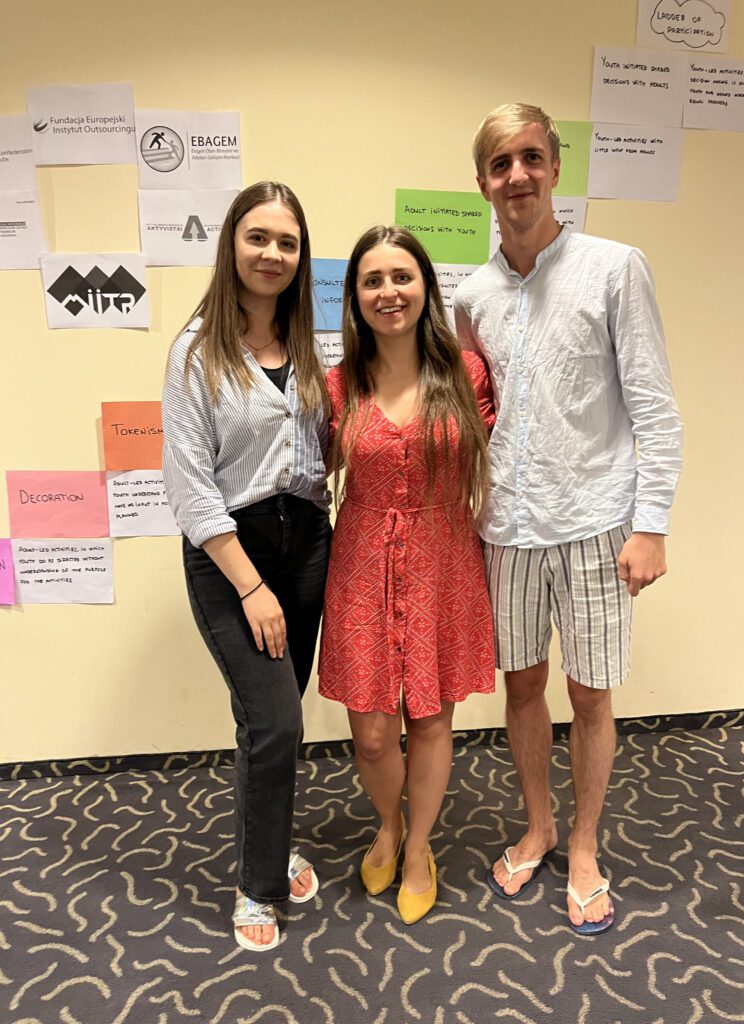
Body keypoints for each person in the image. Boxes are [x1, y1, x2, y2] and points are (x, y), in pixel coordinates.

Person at [454, 104, 683, 935]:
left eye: (530, 158)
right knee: (521, 688)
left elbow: (655, 408)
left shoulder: (616, 267)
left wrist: (650, 523)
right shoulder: (470, 296)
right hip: (506, 528)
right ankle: (539, 824)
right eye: (499, 163)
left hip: (594, 522)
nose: (516, 175)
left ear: (555, 167)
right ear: (482, 183)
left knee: (590, 695)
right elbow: (472, 417)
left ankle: (583, 844)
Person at [162, 181, 332, 952]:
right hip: (233, 556)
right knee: (278, 722)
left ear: (301, 259)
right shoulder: (195, 351)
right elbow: (192, 492)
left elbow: (327, 451)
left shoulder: (308, 349)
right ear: (232, 243)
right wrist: (252, 585)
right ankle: (257, 886)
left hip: (307, 545)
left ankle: (267, 841)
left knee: (268, 727)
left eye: (288, 243)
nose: (272, 254)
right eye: (258, 237)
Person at [318, 226, 496, 925]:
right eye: (372, 280)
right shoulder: (338, 384)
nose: (388, 292)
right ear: (355, 298)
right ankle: (387, 822)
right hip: (359, 559)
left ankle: (417, 846)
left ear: (425, 286)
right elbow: (303, 470)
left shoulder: (468, 373)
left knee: (429, 720)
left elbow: (514, 451)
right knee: (369, 732)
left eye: (401, 276)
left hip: (443, 559)